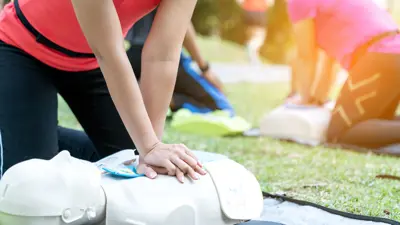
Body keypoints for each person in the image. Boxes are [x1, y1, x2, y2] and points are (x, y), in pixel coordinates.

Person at [0, 0, 207, 182]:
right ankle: (14, 131)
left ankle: (26, 129)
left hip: (90, 63)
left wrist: (151, 149)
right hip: (21, 48)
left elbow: (163, 55)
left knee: (131, 158)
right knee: (31, 180)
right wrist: (149, 146)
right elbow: (108, 51)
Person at [0, 150, 263, 225]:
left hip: (228, 181)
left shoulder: (91, 187)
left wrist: (149, 147)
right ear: (68, 214)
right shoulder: (142, 210)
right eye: (60, 171)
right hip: (227, 189)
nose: (64, 156)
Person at [287, 0, 400, 150]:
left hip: (379, 55)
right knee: (374, 121)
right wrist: (317, 99)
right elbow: (330, 63)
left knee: (340, 133)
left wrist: (305, 99)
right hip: (392, 52)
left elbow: (306, 56)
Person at [125, 9, 235, 115]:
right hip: (164, 55)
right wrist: (204, 68)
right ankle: (160, 99)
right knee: (223, 109)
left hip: (133, 55)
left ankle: (148, 94)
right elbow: (183, 24)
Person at [237, 0, 274, 64]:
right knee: (260, 36)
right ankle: (250, 49)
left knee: (251, 36)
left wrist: (245, 5)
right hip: (259, 11)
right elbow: (270, 2)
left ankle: (253, 58)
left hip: (248, 12)